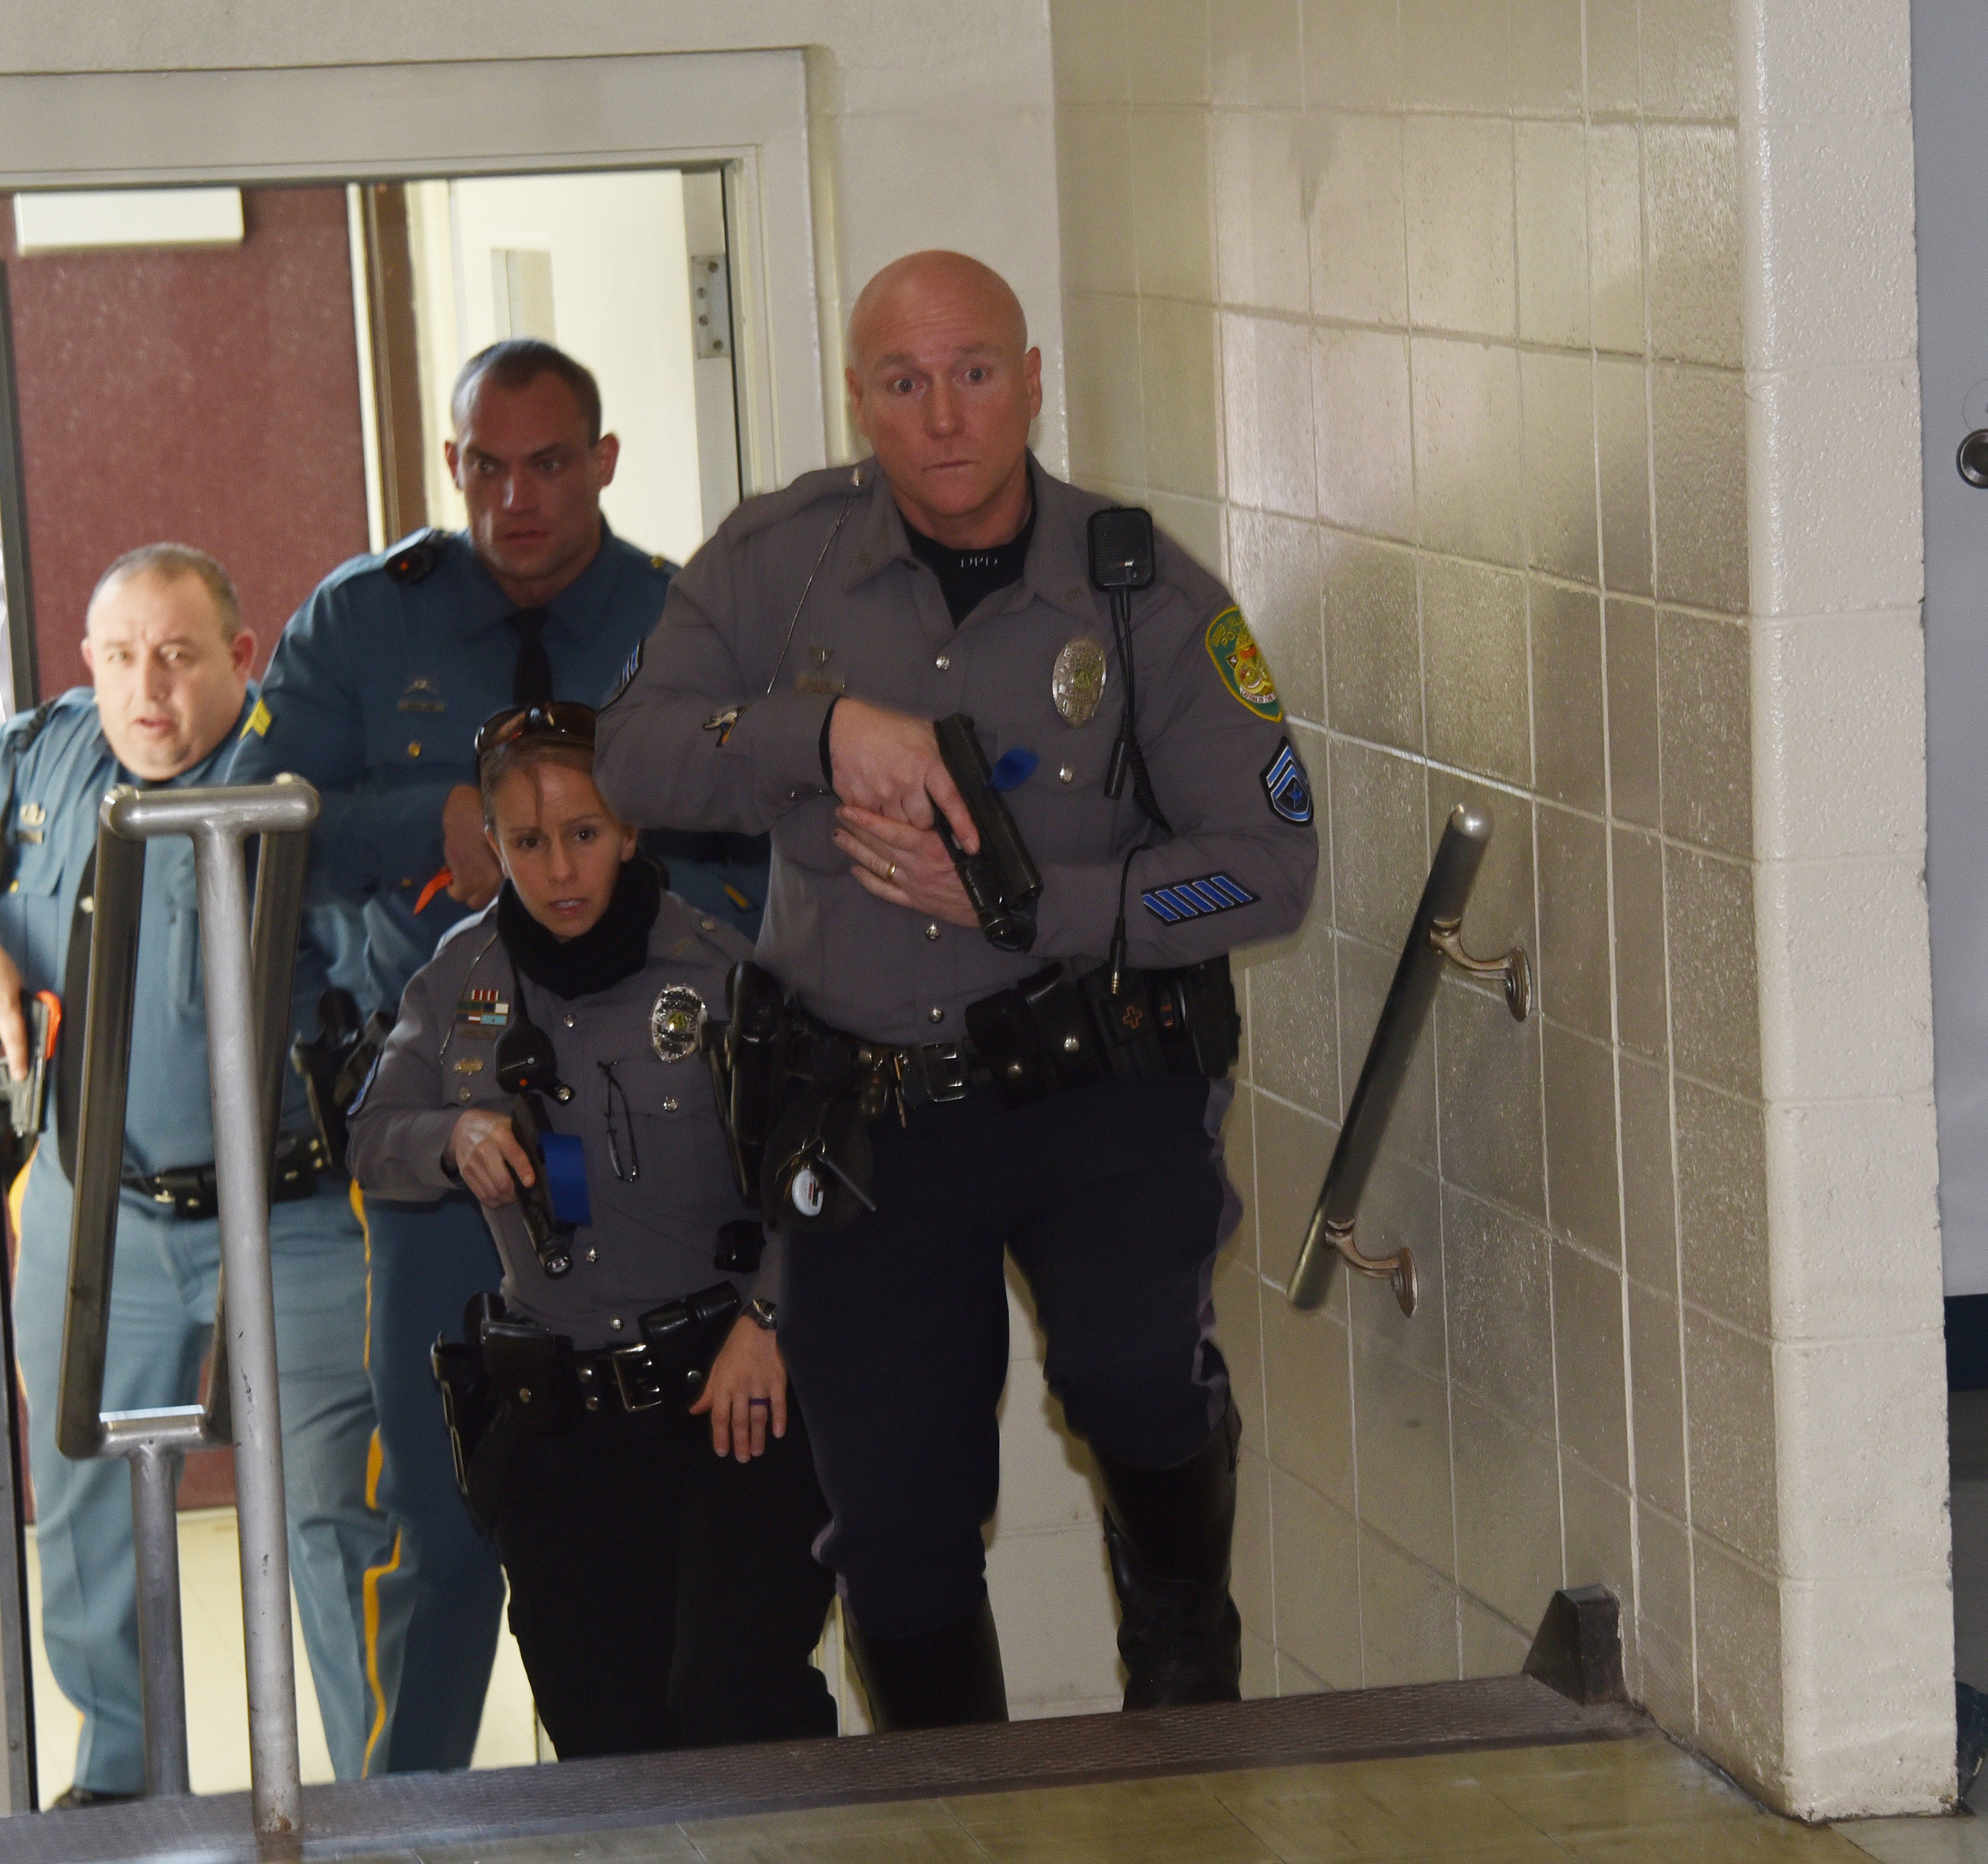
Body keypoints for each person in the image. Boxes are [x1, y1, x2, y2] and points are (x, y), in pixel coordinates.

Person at [597, 252, 1319, 1726]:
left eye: (976, 373)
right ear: (859, 397)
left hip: (1097, 1097)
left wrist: (1049, 908)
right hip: (868, 1130)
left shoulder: (1146, 594)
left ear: (1032, 379)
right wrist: (815, 732)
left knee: (1132, 1383)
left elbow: (1265, 870)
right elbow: (632, 756)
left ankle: (1182, 1626)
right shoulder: (776, 561)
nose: (944, 417)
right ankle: (962, 1803)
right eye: (905, 382)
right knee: (897, 1532)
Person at [227, 339, 757, 1774]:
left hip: (658, 1142)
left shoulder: (684, 619)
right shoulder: (361, 622)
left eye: (549, 463)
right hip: (455, 1138)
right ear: (452, 465)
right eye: (488, 465)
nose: (518, 497)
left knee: (685, 1527)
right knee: (451, 1536)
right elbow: (247, 827)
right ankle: (411, 1820)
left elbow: (768, 838)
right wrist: (427, 827)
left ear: (602, 461)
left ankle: (666, 1808)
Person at [0, 544, 384, 1802]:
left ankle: (384, 1790)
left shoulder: (304, 783)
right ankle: (119, 1781)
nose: (146, 689)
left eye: (179, 655)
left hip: (304, 1214)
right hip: (100, 1207)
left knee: (335, 1517)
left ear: (242, 659)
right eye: (117, 657)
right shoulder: (38, 762)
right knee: (86, 1508)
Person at [345, 703, 835, 1758]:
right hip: (563, 1419)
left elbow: (825, 1167)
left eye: (582, 834)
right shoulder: (458, 981)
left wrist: (772, 1321)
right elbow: (372, 1136)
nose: (559, 869)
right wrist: (448, 1134)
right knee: (603, 1740)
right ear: (492, 846)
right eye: (527, 843)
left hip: (726, 1398)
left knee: (733, 1694)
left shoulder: (720, 972)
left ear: (629, 830)